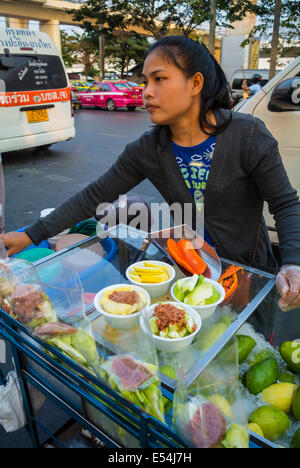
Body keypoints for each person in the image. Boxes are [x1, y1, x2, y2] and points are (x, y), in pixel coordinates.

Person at [0, 36, 300, 312]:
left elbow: (285, 204)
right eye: (145, 81)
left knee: (251, 345)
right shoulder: (147, 149)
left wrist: (293, 263)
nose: (147, 92)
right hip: (190, 270)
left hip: (249, 271)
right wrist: (31, 234)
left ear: (196, 83)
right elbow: (95, 196)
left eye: (160, 79)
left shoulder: (247, 135)